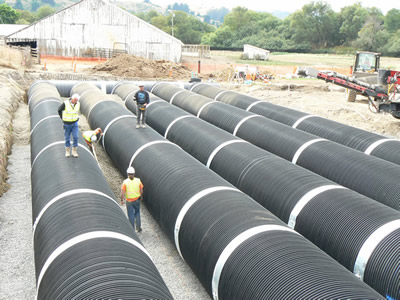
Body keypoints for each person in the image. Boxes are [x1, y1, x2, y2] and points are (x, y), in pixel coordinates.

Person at [120, 166, 143, 232]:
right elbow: (141, 190)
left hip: (129, 201)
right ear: (134, 173)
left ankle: (132, 230)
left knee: (131, 215)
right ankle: (138, 228)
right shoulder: (138, 180)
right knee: (137, 213)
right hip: (137, 200)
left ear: (127, 174)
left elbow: (122, 193)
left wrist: (121, 200)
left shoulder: (125, 182)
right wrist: (141, 196)